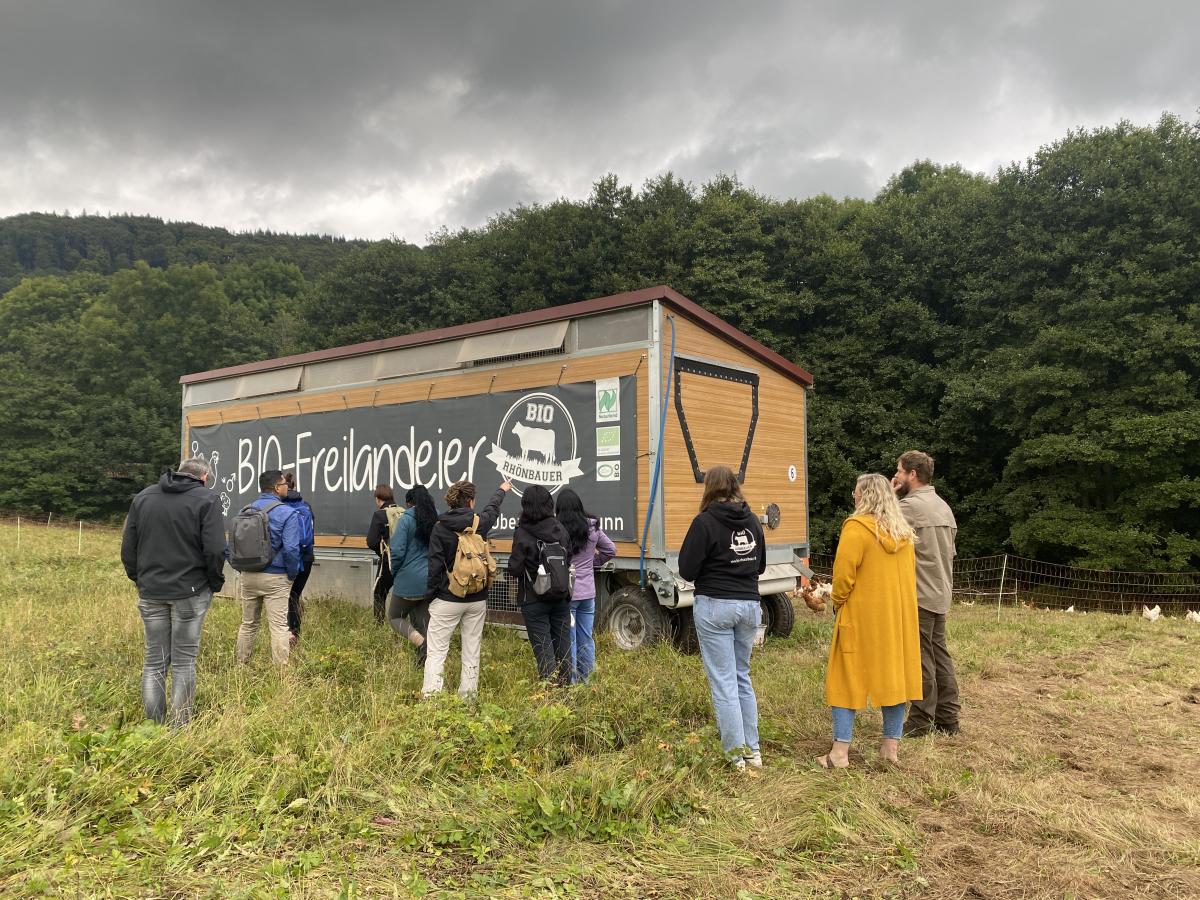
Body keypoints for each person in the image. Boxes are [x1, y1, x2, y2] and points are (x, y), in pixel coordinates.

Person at [819, 473, 922, 769]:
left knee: (845, 678)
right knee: (894, 681)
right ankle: (890, 749)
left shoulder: (856, 529)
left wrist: (838, 603)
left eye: (855, 493)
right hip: (895, 622)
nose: (853, 496)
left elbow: (843, 578)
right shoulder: (903, 535)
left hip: (860, 619)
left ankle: (839, 754)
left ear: (864, 496)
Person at [121, 457, 227, 726]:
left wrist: (139, 579)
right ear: (203, 477)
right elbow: (215, 549)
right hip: (191, 592)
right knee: (183, 662)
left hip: (151, 590)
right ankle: (180, 727)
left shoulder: (144, 497)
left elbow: (127, 547)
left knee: (154, 661)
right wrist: (214, 582)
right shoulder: (207, 499)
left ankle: (153, 726)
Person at [677, 465, 767, 770]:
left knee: (724, 681)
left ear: (709, 489)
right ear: (735, 487)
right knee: (742, 676)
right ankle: (753, 751)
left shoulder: (704, 522)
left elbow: (687, 569)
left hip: (716, 604)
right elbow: (761, 565)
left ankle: (734, 755)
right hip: (749, 605)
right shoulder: (753, 520)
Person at [893, 450, 961, 737]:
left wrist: (889, 496)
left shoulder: (909, 508)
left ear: (912, 474)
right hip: (940, 592)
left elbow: (878, 530)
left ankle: (920, 721)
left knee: (921, 658)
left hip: (918, 594)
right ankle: (948, 718)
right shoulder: (943, 506)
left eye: (898, 471)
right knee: (939, 655)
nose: (895, 476)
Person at [422, 479, 511, 697]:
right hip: (477, 599)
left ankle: (431, 699)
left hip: (447, 598)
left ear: (451, 501)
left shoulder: (440, 527)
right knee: (472, 649)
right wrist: (501, 490)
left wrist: (431, 596)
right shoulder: (480, 523)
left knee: (437, 651)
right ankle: (468, 699)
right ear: (471, 502)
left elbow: (434, 567)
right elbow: (492, 509)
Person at [508, 485, 574, 686]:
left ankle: (550, 695)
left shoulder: (522, 532)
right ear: (549, 504)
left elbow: (515, 568)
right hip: (561, 596)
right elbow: (568, 557)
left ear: (525, 505)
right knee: (563, 647)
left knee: (543, 648)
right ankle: (566, 692)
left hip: (534, 600)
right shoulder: (560, 529)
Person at [235, 470, 301, 666]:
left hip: (248, 575)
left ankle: (241, 666)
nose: (286, 487)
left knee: (248, 624)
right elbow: (291, 549)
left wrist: (243, 570)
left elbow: (234, 546)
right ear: (276, 488)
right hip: (276, 577)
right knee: (279, 627)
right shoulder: (288, 513)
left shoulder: (245, 511)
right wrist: (292, 574)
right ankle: (281, 674)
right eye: (284, 484)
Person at [555, 488, 616, 684]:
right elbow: (611, 550)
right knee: (586, 638)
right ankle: (588, 680)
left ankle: (571, 683)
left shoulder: (557, 530)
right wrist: (593, 563)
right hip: (588, 593)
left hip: (567, 593)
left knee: (569, 639)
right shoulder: (593, 527)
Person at [389, 485, 438, 665]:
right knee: (424, 621)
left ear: (409, 503)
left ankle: (421, 644)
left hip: (408, 580)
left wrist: (396, 572)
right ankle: (426, 661)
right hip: (432, 580)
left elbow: (396, 551)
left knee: (394, 617)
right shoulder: (437, 519)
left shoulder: (406, 520)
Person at [282, 472, 315, 647]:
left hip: (289, 558)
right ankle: (294, 629)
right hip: (307, 557)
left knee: (287, 596)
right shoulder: (306, 507)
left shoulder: (278, 507)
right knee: (294, 595)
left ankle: (290, 632)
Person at [366, 484, 398, 623]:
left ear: (378, 499)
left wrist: (383, 553)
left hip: (388, 561)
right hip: (406, 562)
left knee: (379, 592)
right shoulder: (403, 512)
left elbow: (371, 541)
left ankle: (379, 624)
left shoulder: (380, 514)